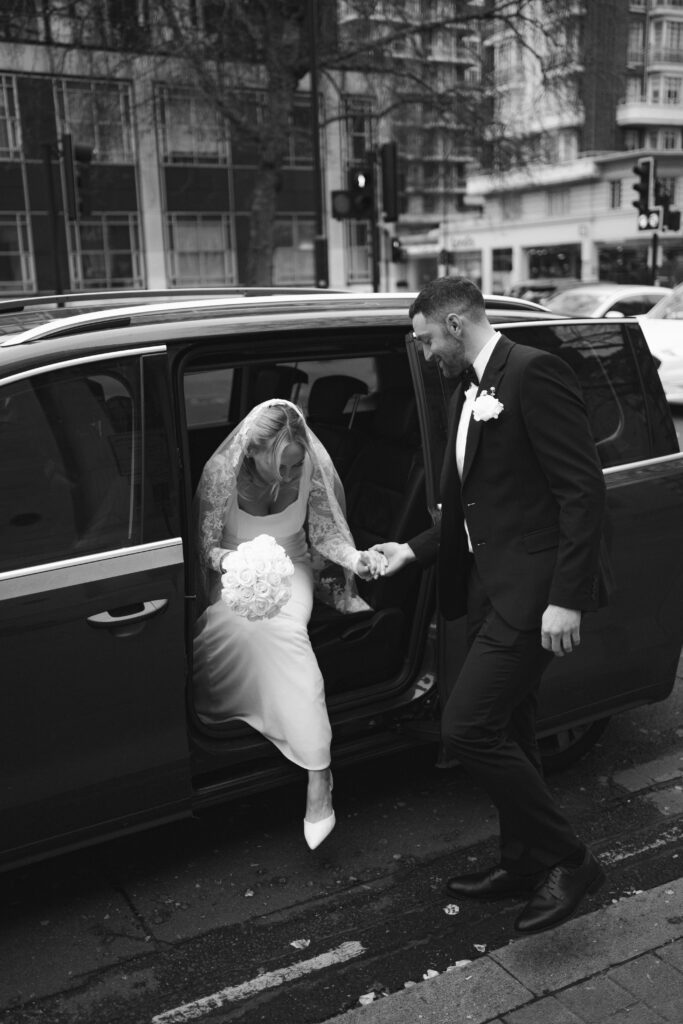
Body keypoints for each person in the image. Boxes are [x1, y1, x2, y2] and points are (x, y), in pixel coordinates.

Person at [372, 277, 611, 934]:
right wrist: (411, 551)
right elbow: (470, 505)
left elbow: (581, 493)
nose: (423, 355)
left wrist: (566, 599)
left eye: (423, 340)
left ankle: (569, 858)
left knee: (467, 727)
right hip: (486, 585)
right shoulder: (464, 387)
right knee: (511, 728)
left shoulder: (534, 374)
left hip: (533, 595)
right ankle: (524, 861)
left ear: (453, 322)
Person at [193, 398, 385, 850]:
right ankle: (233, 713)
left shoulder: (309, 467)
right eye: (282, 465)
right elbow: (204, 549)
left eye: (297, 463)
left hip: (293, 567)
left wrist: (355, 559)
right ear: (253, 452)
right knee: (228, 626)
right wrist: (235, 560)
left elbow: (324, 533)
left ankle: (319, 772)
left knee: (282, 630)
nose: (292, 474)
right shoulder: (220, 473)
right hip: (237, 573)